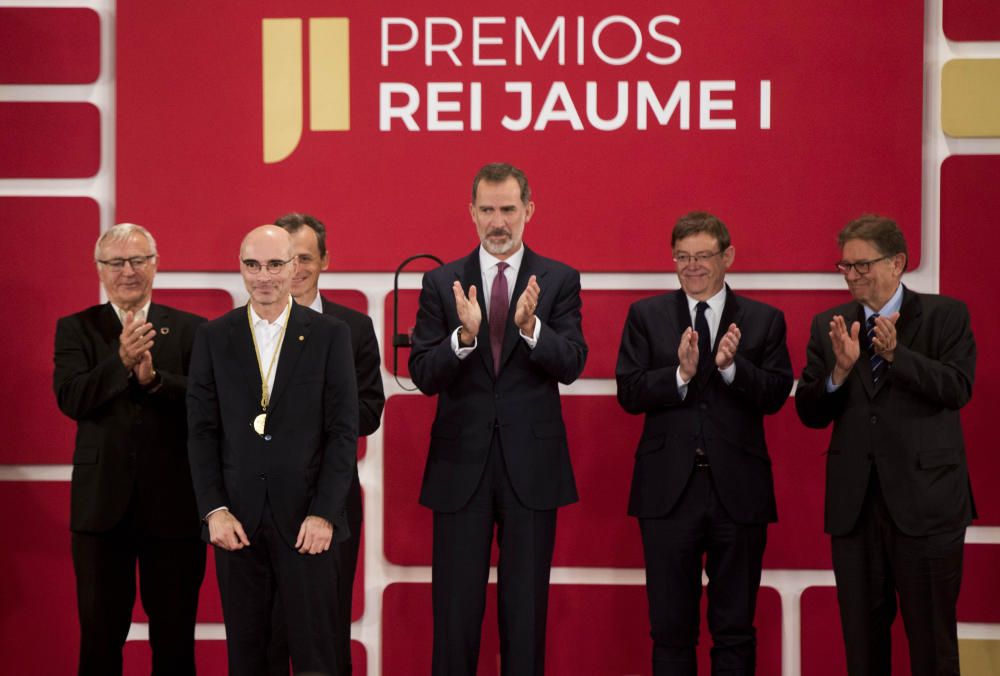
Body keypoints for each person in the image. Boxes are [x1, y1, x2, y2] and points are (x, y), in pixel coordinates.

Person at [408, 162, 587, 675]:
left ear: (529, 210)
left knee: (525, 614)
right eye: (487, 209)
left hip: (531, 467)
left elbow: (572, 363)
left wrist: (532, 330)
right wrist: (462, 340)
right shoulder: (441, 282)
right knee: (455, 617)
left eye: (508, 209)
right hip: (460, 465)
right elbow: (423, 372)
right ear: (471, 213)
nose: (498, 221)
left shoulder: (559, 279)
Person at [796, 214, 976, 676]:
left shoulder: (946, 315)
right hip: (855, 512)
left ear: (898, 262)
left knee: (933, 647)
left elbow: (957, 388)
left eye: (862, 266)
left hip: (927, 506)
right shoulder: (828, 326)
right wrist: (837, 372)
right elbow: (810, 413)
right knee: (862, 648)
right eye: (845, 267)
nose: (852, 276)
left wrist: (898, 355)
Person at [616, 211, 793, 675]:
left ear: (727, 257)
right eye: (682, 256)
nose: (692, 266)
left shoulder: (764, 319)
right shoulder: (646, 315)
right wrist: (681, 375)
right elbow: (629, 392)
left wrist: (733, 369)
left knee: (735, 629)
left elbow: (776, 394)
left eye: (702, 256)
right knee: (670, 631)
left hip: (738, 494)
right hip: (667, 494)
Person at [186, 225, 358, 675]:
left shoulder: (330, 334)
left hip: (308, 527)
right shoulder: (213, 336)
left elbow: (343, 433)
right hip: (236, 525)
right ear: (241, 268)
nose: (264, 276)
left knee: (316, 659)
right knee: (247, 659)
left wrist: (324, 513)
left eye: (275, 265)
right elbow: (201, 432)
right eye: (252, 265)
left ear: (295, 267)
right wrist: (214, 511)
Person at [53, 223, 206, 676]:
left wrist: (153, 381)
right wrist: (119, 363)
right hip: (101, 510)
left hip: (175, 507)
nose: (128, 271)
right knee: (100, 638)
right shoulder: (77, 328)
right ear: (99, 269)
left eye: (138, 260)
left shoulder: (190, 329)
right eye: (117, 263)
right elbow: (71, 398)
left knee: (175, 639)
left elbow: (206, 401)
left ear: (156, 265)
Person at [266, 212, 385, 675]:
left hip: (330, 501)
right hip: (261, 505)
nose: (294, 270)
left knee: (326, 635)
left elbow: (370, 413)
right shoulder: (241, 330)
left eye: (305, 259)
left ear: (325, 262)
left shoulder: (351, 328)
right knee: (267, 636)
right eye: (284, 260)